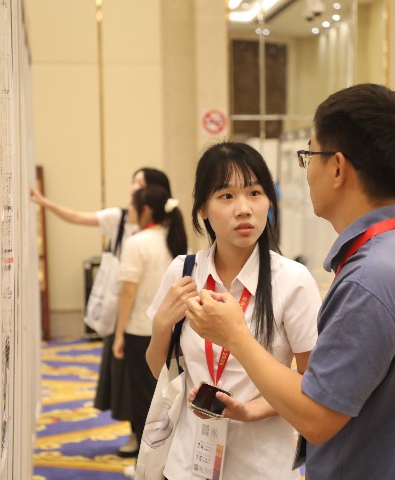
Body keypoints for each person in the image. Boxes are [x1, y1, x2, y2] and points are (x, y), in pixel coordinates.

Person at [185, 85, 395, 479]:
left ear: (337, 168)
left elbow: (316, 417)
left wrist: (236, 337)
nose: (307, 170)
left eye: (309, 155)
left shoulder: (371, 277)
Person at [144, 142, 321, 480]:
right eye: (226, 196)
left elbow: (312, 383)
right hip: (186, 463)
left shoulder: (292, 280)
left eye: (255, 193)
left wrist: (250, 411)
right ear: (202, 209)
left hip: (260, 466)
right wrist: (161, 326)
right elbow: (160, 372)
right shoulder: (184, 272)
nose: (244, 209)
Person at [30, 167, 172, 456]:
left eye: (140, 183)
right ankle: (140, 436)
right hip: (137, 317)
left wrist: (120, 333)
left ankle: (146, 441)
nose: (133, 188)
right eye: (133, 182)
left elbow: (131, 290)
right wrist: (44, 203)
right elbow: (77, 217)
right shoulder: (125, 219)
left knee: (141, 383)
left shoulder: (158, 232)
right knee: (135, 382)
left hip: (137, 319)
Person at [111, 184, 188, 460]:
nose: (128, 212)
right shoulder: (176, 238)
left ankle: (147, 459)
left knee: (144, 397)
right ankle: (165, 455)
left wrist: (119, 334)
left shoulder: (137, 243)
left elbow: (128, 292)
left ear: (145, 210)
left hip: (141, 329)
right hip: (173, 328)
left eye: (131, 206)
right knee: (167, 395)